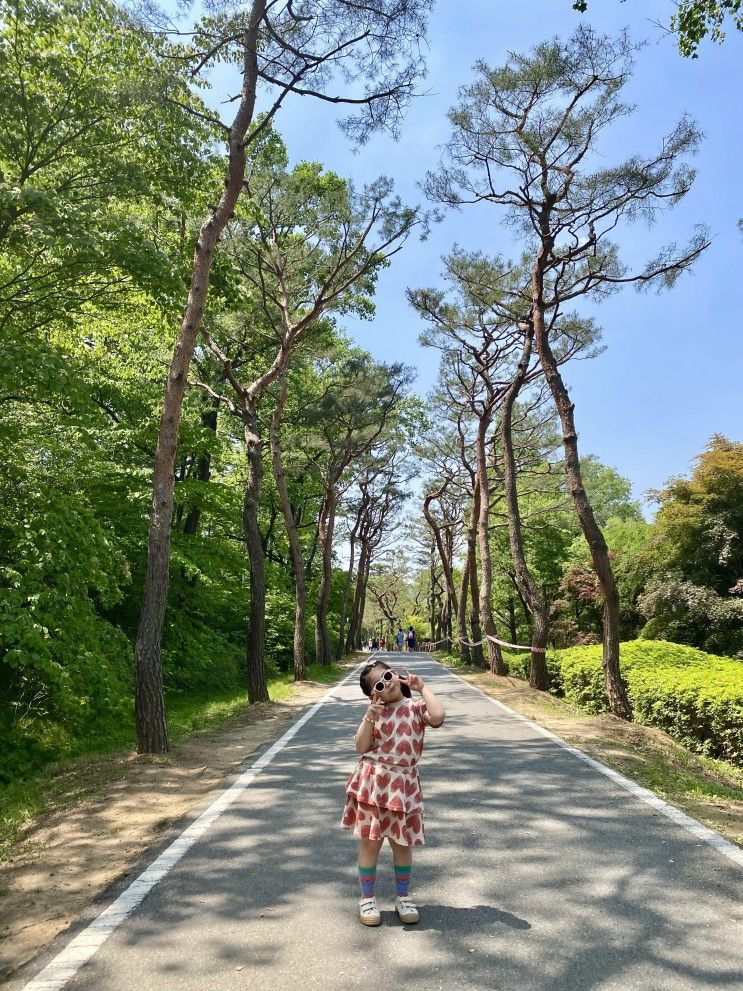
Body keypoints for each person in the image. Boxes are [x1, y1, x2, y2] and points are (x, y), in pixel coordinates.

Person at [341, 661, 445, 926]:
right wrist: (370, 716)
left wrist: (422, 688)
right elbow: (361, 746)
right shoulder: (374, 714)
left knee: (402, 843)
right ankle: (367, 898)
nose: (386, 684)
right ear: (372, 694)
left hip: (404, 786)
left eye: (388, 676)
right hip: (373, 784)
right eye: (379, 685)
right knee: (371, 843)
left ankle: (403, 897)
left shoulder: (415, 708)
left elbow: (438, 717)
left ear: (397, 676)